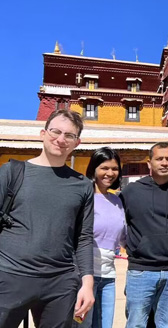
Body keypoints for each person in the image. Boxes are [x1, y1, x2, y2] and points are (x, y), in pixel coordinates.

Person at [0, 109, 95, 327]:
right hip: (9, 275)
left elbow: (84, 237)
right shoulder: (12, 172)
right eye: (56, 131)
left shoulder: (82, 185)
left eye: (69, 135)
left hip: (60, 282)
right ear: (43, 133)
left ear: (77, 143)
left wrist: (87, 283)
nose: (61, 139)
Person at [121, 142, 168, 328]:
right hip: (141, 271)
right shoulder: (131, 192)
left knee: (167, 325)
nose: (164, 163)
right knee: (136, 324)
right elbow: (118, 222)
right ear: (149, 163)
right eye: (159, 158)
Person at [79, 147, 127, 328]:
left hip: (108, 275)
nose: (110, 173)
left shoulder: (117, 200)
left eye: (114, 169)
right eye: (104, 168)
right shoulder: (84, 197)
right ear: (94, 169)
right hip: (83, 276)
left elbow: (123, 237)